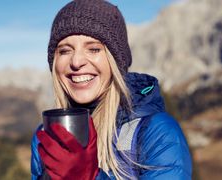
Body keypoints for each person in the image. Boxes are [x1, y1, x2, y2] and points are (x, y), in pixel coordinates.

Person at [31, 0, 192, 179]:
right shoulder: (45, 136)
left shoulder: (158, 132)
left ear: (115, 61)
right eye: (64, 51)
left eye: (93, 49)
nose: (76, 62)